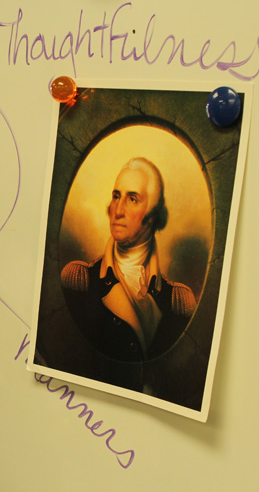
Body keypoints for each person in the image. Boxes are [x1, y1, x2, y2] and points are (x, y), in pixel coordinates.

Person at [60, 157, 196, 366]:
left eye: (132, 199)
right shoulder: (79, 281)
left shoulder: (178, 302)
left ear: (152, 215)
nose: (118, 210)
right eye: (116, 196)